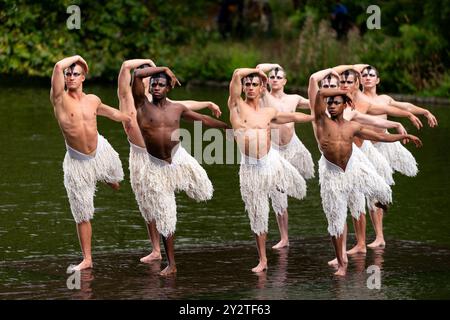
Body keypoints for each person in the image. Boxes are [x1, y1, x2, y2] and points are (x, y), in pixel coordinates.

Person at [118, 59, 223, 263]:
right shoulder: (128, 98)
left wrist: (208, 103)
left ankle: (168, 237)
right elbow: (125, 67)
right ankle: (156, 249)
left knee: (190, 191)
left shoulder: (156, 100)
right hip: (140, 157)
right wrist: (148, 62)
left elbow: (184, 106)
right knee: (148, 205)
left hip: (168, 154)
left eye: (151, 75)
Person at [311, 87, 422, 276]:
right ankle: (341, 263)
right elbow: (320, 93)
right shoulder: (322, 121)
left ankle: (378, 203)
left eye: (337, 103)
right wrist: (344, 92)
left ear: (345, 105)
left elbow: (379, 136)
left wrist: (403, 136)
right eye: (330, 103)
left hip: (352, 168)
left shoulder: (352, 127)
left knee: (384, 190)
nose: (331, 106)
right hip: (333, 175)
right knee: (336, 223)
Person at [50, 55, 131, 271]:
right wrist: (77, 58)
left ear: (83, 77)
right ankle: (87, 258)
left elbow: (110, 112)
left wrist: (129, 118)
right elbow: (58, 66)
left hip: (100, 151)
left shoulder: (92, 99)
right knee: (83, 213)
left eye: (75, 74)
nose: (71, 77)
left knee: (116, 182)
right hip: (78, 163)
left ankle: (104, 177)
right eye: (68, 74)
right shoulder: (60, 99)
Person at [228, 67, 312, 272]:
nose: (249, 87)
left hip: (270, 161)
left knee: (293, 189)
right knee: (257, 213)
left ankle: (281, 188)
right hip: (250, 167)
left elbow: (291, 117)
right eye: (247, 84)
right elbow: (237, 73)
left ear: (261, 88)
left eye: (254, 84)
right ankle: (263, 260)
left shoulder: (269, 112)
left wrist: (316, 117)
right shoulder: (236, 105)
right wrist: (258, 73)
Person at [333, 65, 424, 255]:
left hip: (371, 147)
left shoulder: (367, 101)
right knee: (353, 197)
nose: (345, 85)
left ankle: (377, 235)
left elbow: (389, 112)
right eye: (342, 82)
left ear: (356, 83)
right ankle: (360, 242)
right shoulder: (335, 101)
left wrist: (410, 116)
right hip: (352, 152)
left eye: (349, 82)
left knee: (371, 193)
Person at [359, 64, 438, 248]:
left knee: (381, 191)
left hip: (385, 144)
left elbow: (405, 105)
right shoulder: (358, 98)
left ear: (377, 80)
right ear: (360, 80)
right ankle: (376, 236)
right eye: (364, 75)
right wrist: (399, 121)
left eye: (372, 75)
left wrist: (424, 111)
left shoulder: (385, 98)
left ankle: (380, 236)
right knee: (370, 191)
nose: (368, 77)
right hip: (367, 146)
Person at [255, 63, 313, 249]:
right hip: (274, 150)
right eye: (272, 76)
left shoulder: (294, 98)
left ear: (285, 81)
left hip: (294, 147)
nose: (275, 79)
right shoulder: (263, 95)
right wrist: (274, 65)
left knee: (304, 181)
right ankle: (284, 237)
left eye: (279, 76)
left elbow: (316, 104)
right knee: (278, 193)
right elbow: (257, 69)